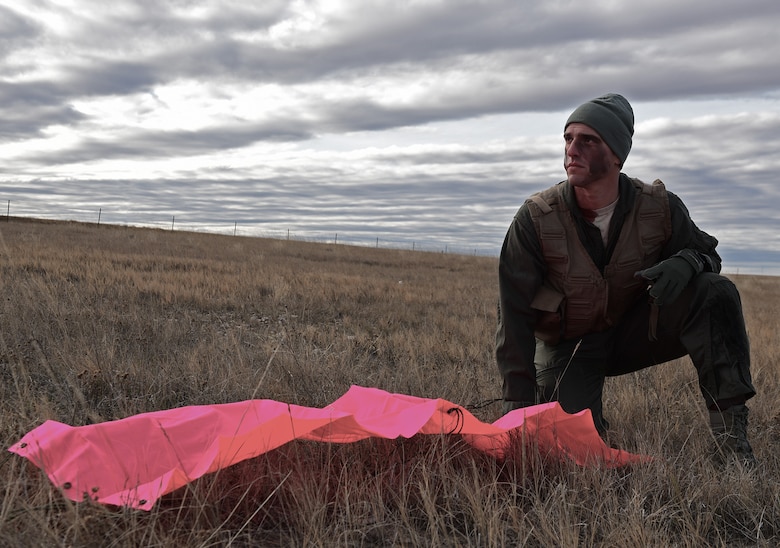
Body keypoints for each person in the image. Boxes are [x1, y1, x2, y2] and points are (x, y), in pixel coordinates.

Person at [495, 93, 757, 466]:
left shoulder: (660, 207)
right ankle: (586, 418)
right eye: (568, 138)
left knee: (715, 292)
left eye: (588, 140)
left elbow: (707, 254)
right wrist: (516, 407)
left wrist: (688, 261)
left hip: (635, 333)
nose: (573, 149)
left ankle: (732, 446)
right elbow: (513, 315)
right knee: (573, 453)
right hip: (569, 348)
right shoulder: (535, 219)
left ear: (617, 154)